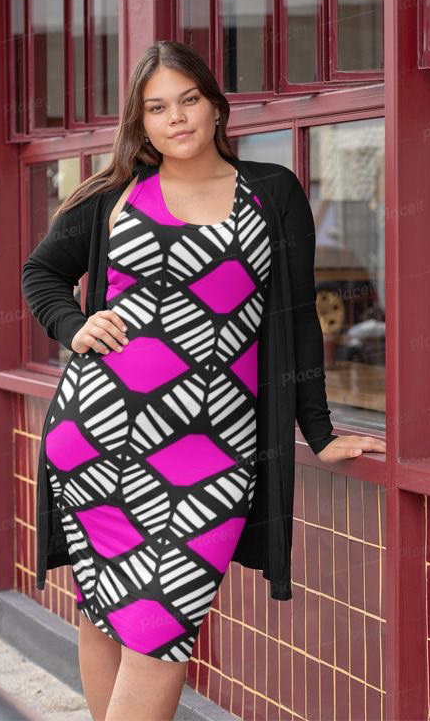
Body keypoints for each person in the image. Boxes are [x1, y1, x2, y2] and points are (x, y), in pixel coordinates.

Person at [22, 40, 385, 721]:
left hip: (214, 453)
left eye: (188, 100)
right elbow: (41, 274)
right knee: (105, 610)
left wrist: (319, 431)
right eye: (157, 108)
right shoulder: (114, 195)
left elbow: (298, 317)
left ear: (216, 106)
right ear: (140, 121)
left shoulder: (271, 193)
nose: (177, 119)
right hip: (97, 438)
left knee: (159, 626)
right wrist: (74, 325)